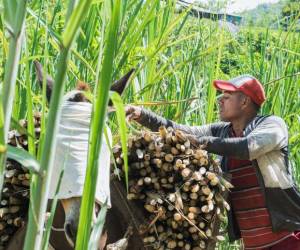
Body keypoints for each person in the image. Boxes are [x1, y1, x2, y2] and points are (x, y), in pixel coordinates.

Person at [125, 75, 300, 250]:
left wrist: (201, 142)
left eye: (226, 97)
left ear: (245, 101)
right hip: (253, 245)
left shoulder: (272, 125)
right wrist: (143, 115)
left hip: (289, 240)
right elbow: (181, 131)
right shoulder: (221, 131)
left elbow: (248, 147)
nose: (220, 101)